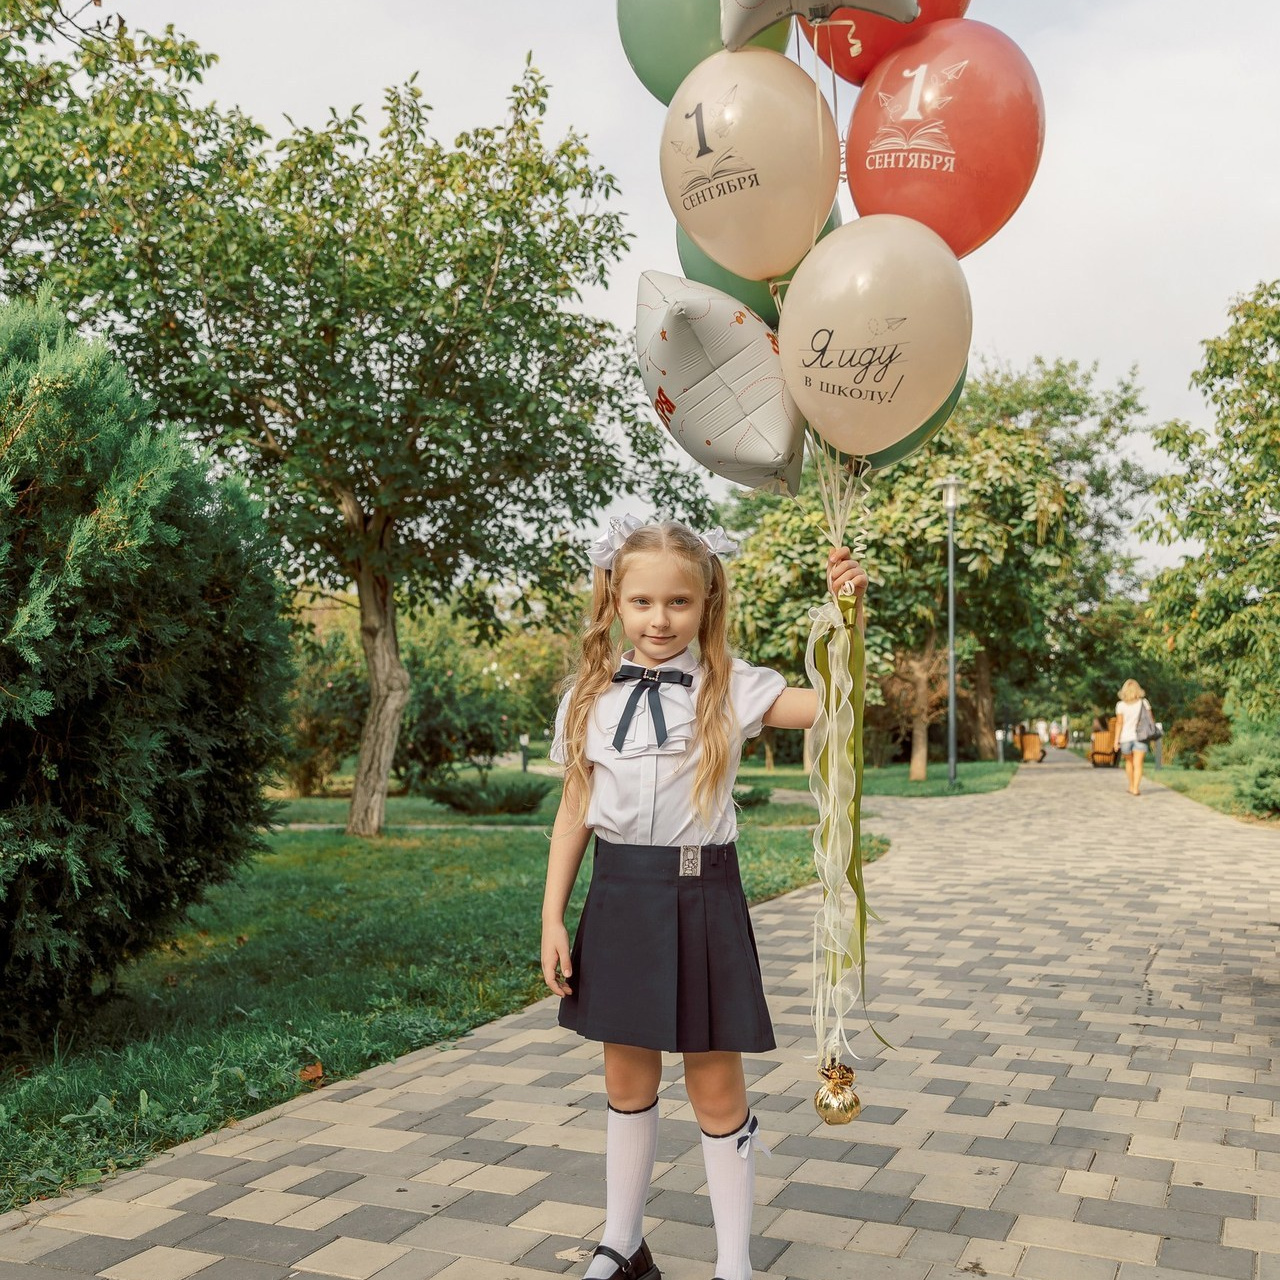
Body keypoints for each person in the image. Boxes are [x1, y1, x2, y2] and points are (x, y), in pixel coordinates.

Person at [540, 516, 866, 1280]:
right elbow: (571, 813)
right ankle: (622, 1245)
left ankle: (733, 1265)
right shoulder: (587, 698)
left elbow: (834, 710)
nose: (660, 619)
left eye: (679, 603)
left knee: (714, 1083)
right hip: (619, 895)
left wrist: (849, 619)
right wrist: (553, 915)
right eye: (643, 601)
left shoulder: (733, 685)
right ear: (614, 601)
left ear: (707, 603)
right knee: (627, 1078)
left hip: (702, 896)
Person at [1113, 678, 1154, 795]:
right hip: (1141, 736)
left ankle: (1131, 786)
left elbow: (1119, 723)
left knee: (1129, 763)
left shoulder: (1120, 705)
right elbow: (1150, 720)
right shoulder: (1144, 702)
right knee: (1138, 763)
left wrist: (1116, 741)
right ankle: (1136, 788)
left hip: (1125, 738)